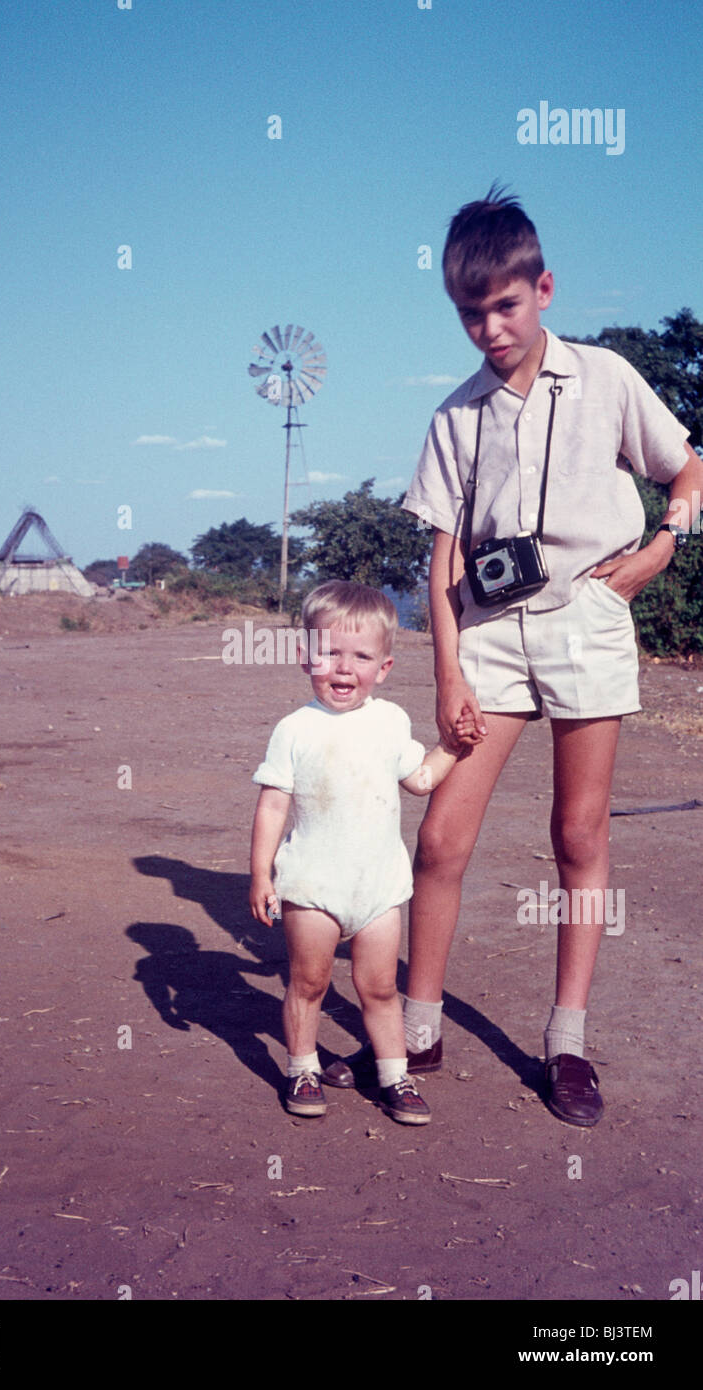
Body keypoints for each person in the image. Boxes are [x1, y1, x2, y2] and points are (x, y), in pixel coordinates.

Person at [322, 186, 703, 1126]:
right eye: (469, 313)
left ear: (543, 288)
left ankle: (566, 1042)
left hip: (588, 617)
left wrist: (666, 544)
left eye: (505, 305)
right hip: (487, 636)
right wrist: (449, 671)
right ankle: (419, 1029)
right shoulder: (455, 419)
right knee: (442, 839)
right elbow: (443, 552)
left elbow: (686, 463)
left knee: (578, 836)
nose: (489, 328)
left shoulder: (608, 378)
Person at [249, 581, 470, 1123]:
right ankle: (302, 1067)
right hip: (312, 885)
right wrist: (260, 876)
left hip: (378, 888)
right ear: (306, 658)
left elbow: (419, 779)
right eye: (329, 653)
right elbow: (273, 807)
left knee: (380, 987)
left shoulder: (390, 722)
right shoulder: (294, 730)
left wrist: (453, 750)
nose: (344, 669)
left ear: (385, 667)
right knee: (308, 983)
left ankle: (395, 1077)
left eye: (361, 657)